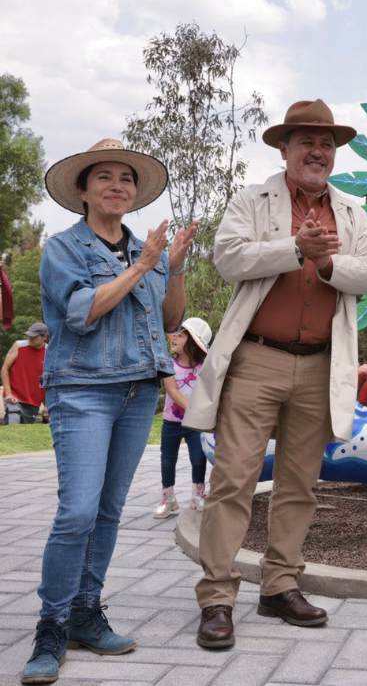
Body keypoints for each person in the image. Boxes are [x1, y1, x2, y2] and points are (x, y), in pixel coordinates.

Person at [185, 99, 367, 650]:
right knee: (234, 480)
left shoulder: (352, 211)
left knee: (300, 483)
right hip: (256, 359)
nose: (318, 151)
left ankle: (279, 585)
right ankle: (218, 597)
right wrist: (293, 247)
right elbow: (227, 257)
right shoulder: (253, 200)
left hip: (322, 364)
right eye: (306, 141)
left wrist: (325, 264)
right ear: (284, 147)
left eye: (326, 143)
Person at [22, 139, 197, 685]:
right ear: (83, 190)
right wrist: (145, 264)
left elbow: (172, 317)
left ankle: (85, 613)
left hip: (136, 392)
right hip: (82, 389)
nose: (117, 185)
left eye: (126, 178)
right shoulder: (63, 248)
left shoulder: (141, 251)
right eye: (104, 177)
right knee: (76, 510)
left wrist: (173, 269)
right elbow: (82, 314)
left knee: (108, 512)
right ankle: (50, 624)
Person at [154, 317, 213, 518]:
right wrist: (196, 410)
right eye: (174, 333)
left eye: (180, 335)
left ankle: (198, 495)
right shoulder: (169, 364)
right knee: (168, 461)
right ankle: (168, 498)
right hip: (172, 422)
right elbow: (172, 391)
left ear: (193, 341)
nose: (174, 337)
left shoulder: (204, 366)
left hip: (195, 424)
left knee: (198, 458)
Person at [2, 322, 48, 424]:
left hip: (33, 401)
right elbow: (4, 369)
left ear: (44, 337)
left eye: (34, 337)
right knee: (13, 421)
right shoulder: (19, 346)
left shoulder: (49, 352)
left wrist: (47, 404)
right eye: (29, 336)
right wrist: (9, 394)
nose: (30, 339)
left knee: (25, 427)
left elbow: (49, 380)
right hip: (14, 397)